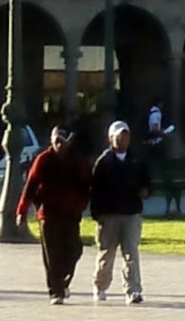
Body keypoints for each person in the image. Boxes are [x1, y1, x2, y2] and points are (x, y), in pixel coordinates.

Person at [18, 127, 92, 303]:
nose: (59, 144)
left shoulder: (78, 161)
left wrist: (82, 204)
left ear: (68, 141)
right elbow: (30, 186)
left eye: (62, 140)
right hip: (49, 214)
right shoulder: (43, 160)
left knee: (74, 249)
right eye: (56, 140)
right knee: (52, 254)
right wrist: (22, 211)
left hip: (71, 214)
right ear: (51, 141)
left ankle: (64, 280)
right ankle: (55, 291)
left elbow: (87, 185)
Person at [90, 120, 150, 304]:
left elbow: (147, 182)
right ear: (111, 138)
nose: (123, 140)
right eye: (119, 136)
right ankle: (100, 285)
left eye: (126, 136)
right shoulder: (103, 162)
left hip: (131, 212)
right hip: (109, 214)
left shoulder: (136, 160)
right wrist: (97, 214)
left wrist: (145, 191)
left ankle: (133, 290)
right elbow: (95, 190)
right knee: (106, 253)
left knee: (131, 252)